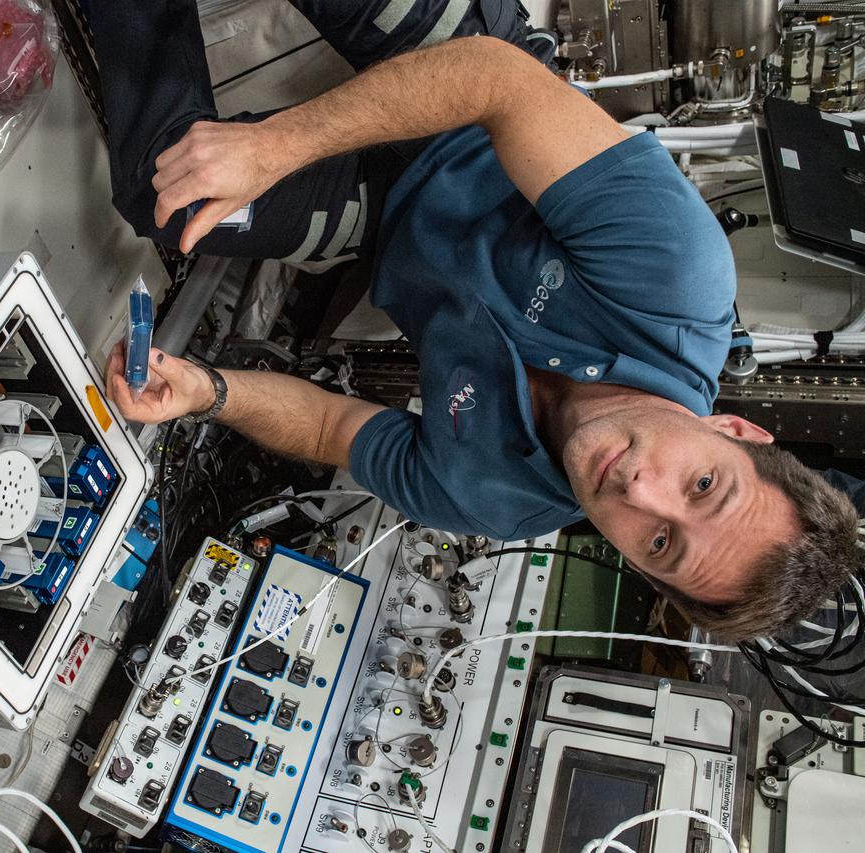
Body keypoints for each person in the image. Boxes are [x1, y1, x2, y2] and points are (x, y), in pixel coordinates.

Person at [88, 0, 860, 640]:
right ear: (736, 432)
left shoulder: (502, 499)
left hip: (387, 212)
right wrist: (275, 147)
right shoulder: (679, 277)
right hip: (475, 98)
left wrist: (208, 391)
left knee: (166, 191)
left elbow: (333, 432)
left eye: (661, 542)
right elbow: (500, 86)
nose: (638, 488)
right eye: (700, 485)